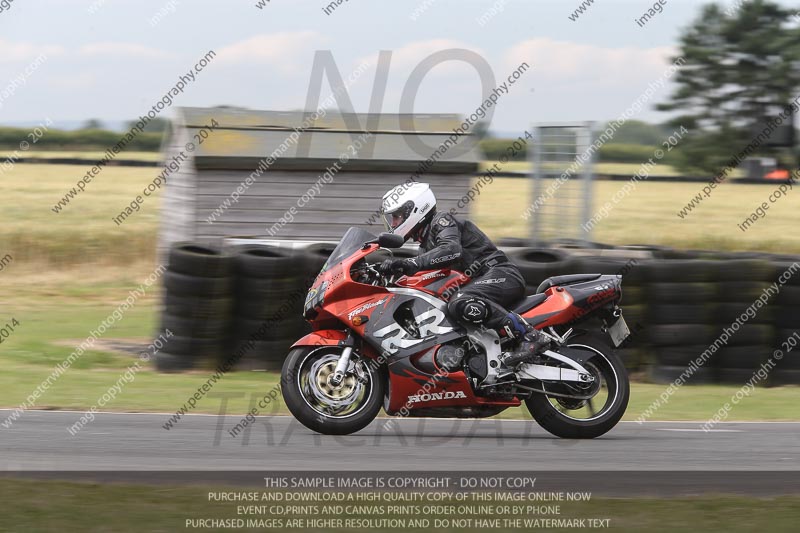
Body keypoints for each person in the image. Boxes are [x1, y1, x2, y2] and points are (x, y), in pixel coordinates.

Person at [377, 182, 548, 366]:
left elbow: (451, 249)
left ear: (416, 209)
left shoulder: (441, 221)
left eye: (397, 216)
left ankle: (530, 336)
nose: (393, 223)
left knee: (460, 301)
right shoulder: (424, 246)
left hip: (500, 273)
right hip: (480, 283)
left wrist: (410, 263)